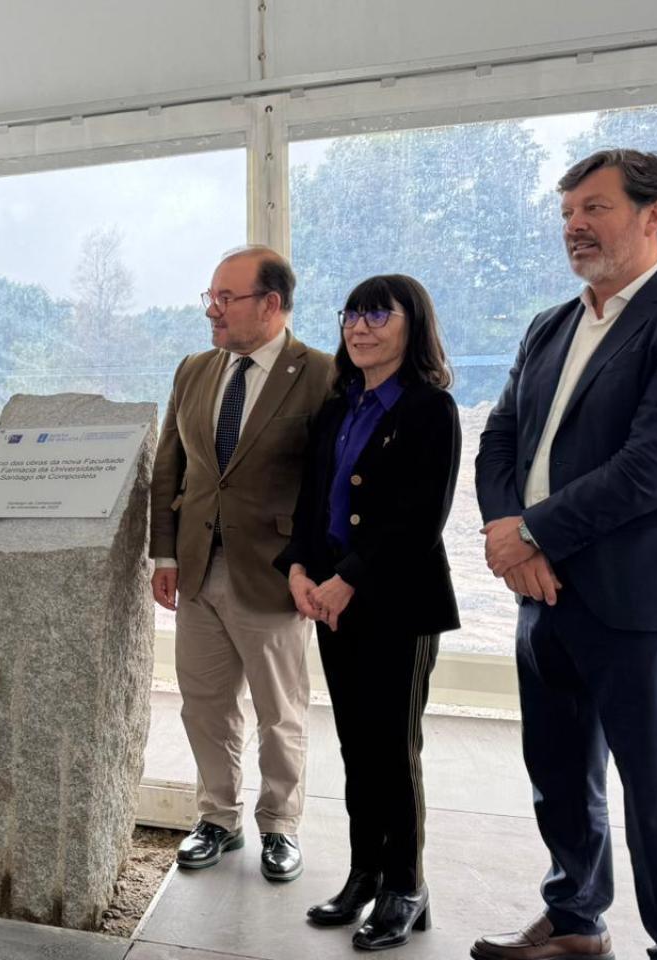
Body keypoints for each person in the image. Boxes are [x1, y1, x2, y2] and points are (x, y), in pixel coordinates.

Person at [473, 150, 657, 960]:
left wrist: (532, 532)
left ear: (654, 212)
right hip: (544, 592)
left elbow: (656, 466)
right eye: (567, 213)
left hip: (649, 598)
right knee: (559, 773)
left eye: (594, 208)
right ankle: (574, 919)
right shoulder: (550, 324)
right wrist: (507, 533)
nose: (574, 226)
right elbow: (500, 437)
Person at [274, 275, 459, 950]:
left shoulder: (430, 409)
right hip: (332, 602)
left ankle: (406, 887)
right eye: (353, 314)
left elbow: (419, 520)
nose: (360, 326)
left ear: (415, 325)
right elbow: (312, 504)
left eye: (379, 315)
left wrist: (347, 580)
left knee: (393, 752)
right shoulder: (338, 406)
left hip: (397, 607)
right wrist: (299, 568)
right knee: (357, 748)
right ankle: (365, 876)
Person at [149, 244, 334, 881]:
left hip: (277, 573)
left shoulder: (322, 374)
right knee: (204, 705)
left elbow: (328, 484)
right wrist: (164, 552)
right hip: (197, 568)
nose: (213, 310)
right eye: (211, 297)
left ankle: (280, 825)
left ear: (272, 304)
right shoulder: (194, 370)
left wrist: (314, 565)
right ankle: (217, 819)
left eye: (227, 298)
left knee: (279, 711)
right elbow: (170, 466)